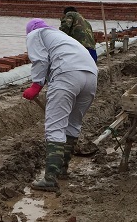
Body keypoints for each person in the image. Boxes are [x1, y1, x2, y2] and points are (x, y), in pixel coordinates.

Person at [22, 18, 98, 192]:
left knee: (55, 126)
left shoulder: (35, 34)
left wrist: (36, 85)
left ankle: (50, 179)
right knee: (73, 124)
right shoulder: (60, 36)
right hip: (91, 76)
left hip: (67, 74)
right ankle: (62, 170)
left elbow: (40, 60)